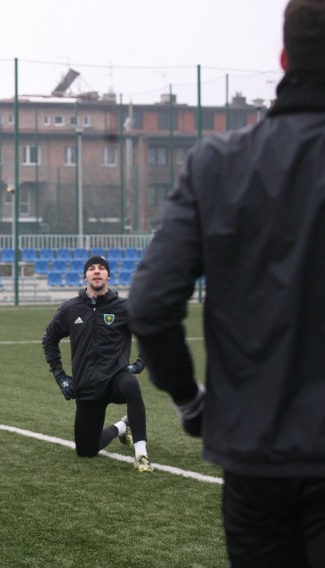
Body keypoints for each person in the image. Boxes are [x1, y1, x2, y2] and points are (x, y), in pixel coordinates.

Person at [128, 1, 325, 564]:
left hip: (253, 455)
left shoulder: (218, 162)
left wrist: (190, 401)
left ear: (284, 57)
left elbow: (151, 303)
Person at [41, 255, 152, 472]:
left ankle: (141, 453)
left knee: (131, 385)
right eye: (92, 268)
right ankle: (122, 427)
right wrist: (60, 376)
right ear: (85, 277)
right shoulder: (71, 309)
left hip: (114, 381)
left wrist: (140, 363)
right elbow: (49, 339)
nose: (97, 271)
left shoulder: (123, 307)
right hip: (87, 387)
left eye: (102, 268)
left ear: (109, 275)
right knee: (86, 450)